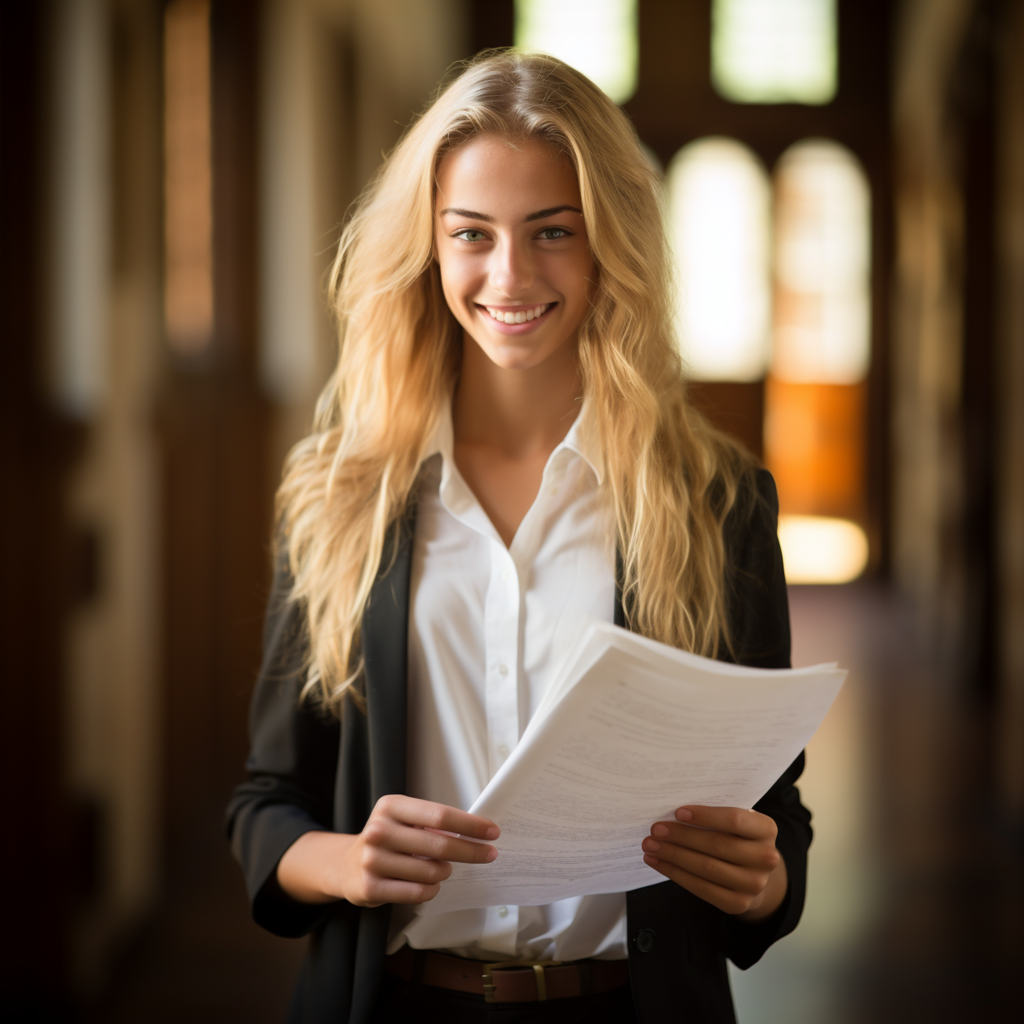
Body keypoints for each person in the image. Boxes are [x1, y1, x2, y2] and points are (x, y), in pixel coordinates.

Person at [226, 49, 810, 1024]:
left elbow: (773, 819)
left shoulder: (718, 500)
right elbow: (266, 799)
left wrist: (765, 882)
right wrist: (345, 861)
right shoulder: (341, 495)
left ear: (609, 245)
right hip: (393, 1002)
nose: (509, 274)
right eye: (470, 234)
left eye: (552, 232)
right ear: (429, 245)